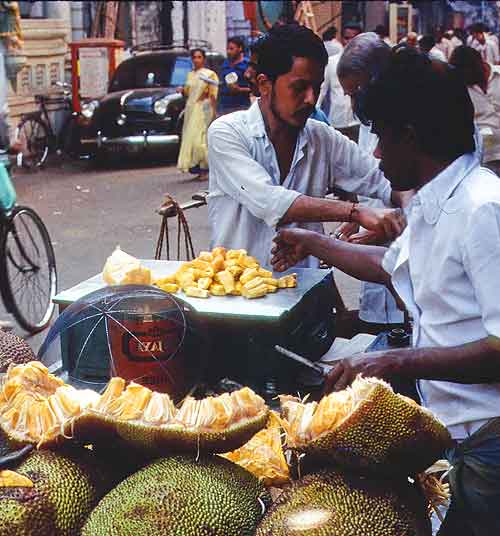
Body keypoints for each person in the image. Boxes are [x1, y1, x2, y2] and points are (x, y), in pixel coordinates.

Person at [271, 49, 500, 535]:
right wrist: (313, 241)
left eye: (380, 138)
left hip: (490, 440)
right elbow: (393, 268)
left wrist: (393, 362)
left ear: (410, 137)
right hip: (455, 435)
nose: (375, 154)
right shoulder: (437, 200)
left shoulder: (482, 208)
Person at [207, 24, 405, 268]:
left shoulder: (322, 138)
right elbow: (270, 202)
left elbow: (384, 181)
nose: (311, 99)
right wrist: (356, 212)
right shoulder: (227, 133)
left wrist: (405, 208)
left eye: (317, 87)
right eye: (299, 87)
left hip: (305, 292)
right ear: (264, 84)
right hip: (239, 296)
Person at [334, 32, 406, 334]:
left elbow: (429, 201)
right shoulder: (371, 119)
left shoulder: (412, 118)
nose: (353, 104)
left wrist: (378, 231)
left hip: (408, 267)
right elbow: (369, 176)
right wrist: (355, 217)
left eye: (356, 93)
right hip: (377, 272)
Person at [450, 45, 500, 175]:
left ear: (481, 64)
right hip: (487, 156)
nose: (468, 77)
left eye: (470, 72)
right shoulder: (462, 88)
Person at [177, 48, 218, 180]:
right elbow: (188, 92)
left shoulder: (209, 74)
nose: (196, 60)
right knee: (190, 138)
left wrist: (213, 112)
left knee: (200, 139)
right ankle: (198, 169)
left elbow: (213, 94)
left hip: (203, 109)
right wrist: (182, 90)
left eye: (199, 57)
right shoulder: (190, 74)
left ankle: (205, 169)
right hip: (191, 109)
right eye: (194, 57)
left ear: (203, 59)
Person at [218, 36, 251, 115]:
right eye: (227, 49)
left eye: (231, 49)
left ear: (240, 48)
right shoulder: (225, 64)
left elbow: (256, 89)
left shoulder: (248, 65)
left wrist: (239, 89)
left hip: (242, 107)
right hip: (224, 107)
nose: (228, 51)